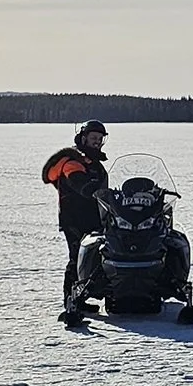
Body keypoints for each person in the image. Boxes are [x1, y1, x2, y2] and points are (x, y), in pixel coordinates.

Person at [39, 121, 111, 320]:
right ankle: (71, 300)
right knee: (77, 258)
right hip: (75, 218)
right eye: (93, 138)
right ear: (83, 137)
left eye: (100, 138)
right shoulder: (73, 161)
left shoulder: (93, 162)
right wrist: (89, 188)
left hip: (94, 216)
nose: (96, 142)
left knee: (93, 257)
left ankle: (82, 297)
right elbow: (78, 181)